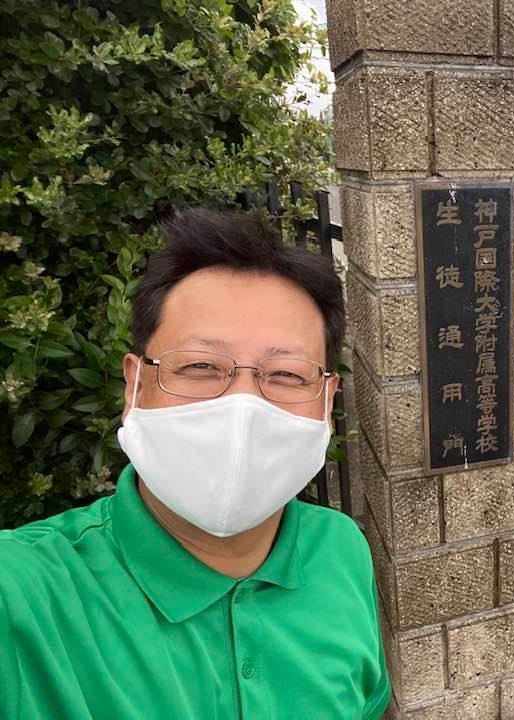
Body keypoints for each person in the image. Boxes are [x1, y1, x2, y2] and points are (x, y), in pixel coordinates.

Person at [0, 210, 391, 719]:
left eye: (287, 375)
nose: (244, 406)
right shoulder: (23, 596)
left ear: (327, 400)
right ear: (134, 386)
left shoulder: (341, 549)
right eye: (201, 366)